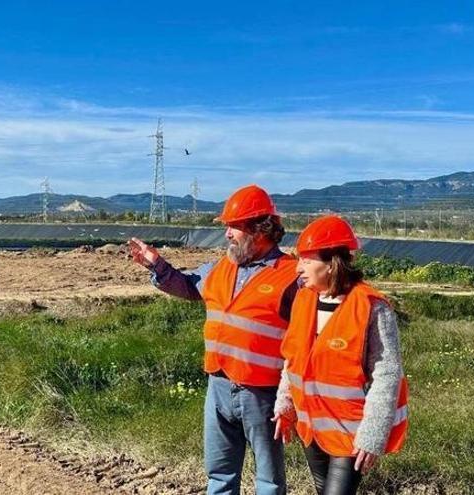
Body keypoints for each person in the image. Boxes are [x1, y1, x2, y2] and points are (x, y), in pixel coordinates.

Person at [129, 184, 299, 495]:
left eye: (233, 227)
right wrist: (157, 265)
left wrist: (289, 397)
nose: (227, 234)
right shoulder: (221, 268)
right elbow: (188, 285)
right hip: (218, 386)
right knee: (219, 476)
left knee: (269, 481)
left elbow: (303, 341)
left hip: (263, 392)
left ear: (259, 229)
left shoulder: (291, 276)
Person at [273, 215, 408, 495]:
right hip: (311, 427)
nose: (298, 267)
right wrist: (285, 404)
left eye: (307, 261)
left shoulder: (371, 306)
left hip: (352, 432)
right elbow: (294, 359)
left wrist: (372, 435)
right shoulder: (304, 299)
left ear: (332, 263)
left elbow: (387, 374)